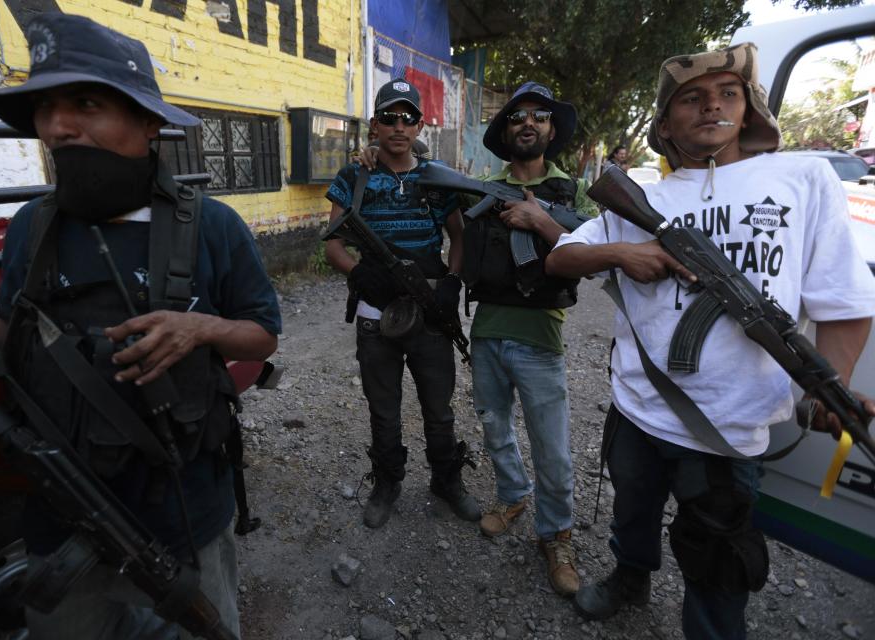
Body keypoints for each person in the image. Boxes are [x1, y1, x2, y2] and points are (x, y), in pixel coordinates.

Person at [0, 14, 281, 639]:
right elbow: (14, 333)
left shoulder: (212, 227)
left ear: (148, 122)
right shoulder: (32, 227)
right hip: (62, 518)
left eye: (86, 103)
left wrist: (197, 331)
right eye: (45, 108)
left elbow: (262, 334)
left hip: (186, 514)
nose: (59, 126)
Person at [546, 42, 875, 639]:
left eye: (728, 94)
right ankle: (629, 578)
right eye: (691, 99)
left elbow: (844, 304)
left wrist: (835, 382)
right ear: (665, 121)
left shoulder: (802, 177)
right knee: (632, 512)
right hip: (638, 407)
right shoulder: (645, 199)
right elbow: (561, 256)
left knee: (718, 562)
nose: (711, 108)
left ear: (750, 109)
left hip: (728, 429)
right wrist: (626, 252)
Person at [324, 78, 479, 529]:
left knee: (439, 406)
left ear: (420, 125)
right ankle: (388, 480)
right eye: (388, 117)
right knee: (383, 408)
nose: (398, 126)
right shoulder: (355, 175)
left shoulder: (437, 177)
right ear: (374, 125)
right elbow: (333, 245)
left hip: (429, 311)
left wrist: (451, 282)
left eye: (407, 117)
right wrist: (358, 273)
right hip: (376, 317)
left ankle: (446, 479)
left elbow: (459, 236)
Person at [465, 81, 598, 597]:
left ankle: (557, 535)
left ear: (551, 129)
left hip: (541, 337)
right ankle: (512, 494)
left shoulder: (575, 192)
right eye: (518, 116)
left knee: (553, 449)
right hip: (487, 332)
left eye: (540, 116)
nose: (528, 123)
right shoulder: (482, 185)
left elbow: (595, 254)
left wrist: (540, 220)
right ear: (505, 130)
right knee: (494, 427)